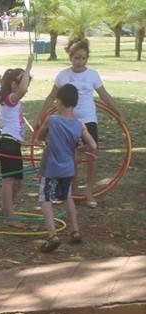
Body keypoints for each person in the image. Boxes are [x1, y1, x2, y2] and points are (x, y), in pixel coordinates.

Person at [35, 38, 125, 209]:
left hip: (89, 119)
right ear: (71, 57)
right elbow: (51, 97)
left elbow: (104, 95)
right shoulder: (63, 75)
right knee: (70, 157)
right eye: (77, 57)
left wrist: (118, 113)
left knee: (92, 151)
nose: (80, 61)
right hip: (68, 121)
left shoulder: (92, 75)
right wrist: (40, 116)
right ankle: (72, 191)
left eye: (83, 58)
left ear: (87, 59)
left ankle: (89, 191)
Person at [35, 84, 97, 252]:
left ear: (59, 101)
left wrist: (45, 136)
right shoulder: (80, 125)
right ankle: (75, 231)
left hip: (51, 169)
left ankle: (53, 235)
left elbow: (40, 137)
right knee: (67, 197)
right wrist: (78, 149)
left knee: (45, 199)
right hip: (68, 169)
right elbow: (93, 145)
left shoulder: (52, 120)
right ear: (76, 103)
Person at [0, 56, 33, 226]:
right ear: (13, 85)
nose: (26, 87)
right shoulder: (10, 98)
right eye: (22, 82)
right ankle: (10, 217)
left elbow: (22, 88)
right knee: (8, 181)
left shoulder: (9, 99)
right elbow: (22, 90)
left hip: (13, 144)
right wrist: (29, 66)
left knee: (18, 182)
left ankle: (5, 209)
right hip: (7, 143)